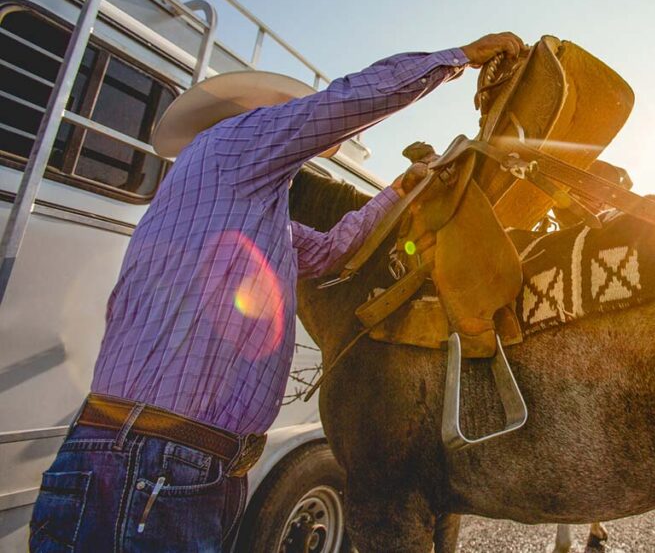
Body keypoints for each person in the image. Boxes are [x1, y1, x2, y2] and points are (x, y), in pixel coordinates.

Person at [27, 32, 525, 552]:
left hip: (155, 454)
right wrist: (458, 59)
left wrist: (397, 191)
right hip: (161, 459)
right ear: (255, 118)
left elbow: (332, 249)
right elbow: (344, 102)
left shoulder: (245, 211)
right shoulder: (230, 143)